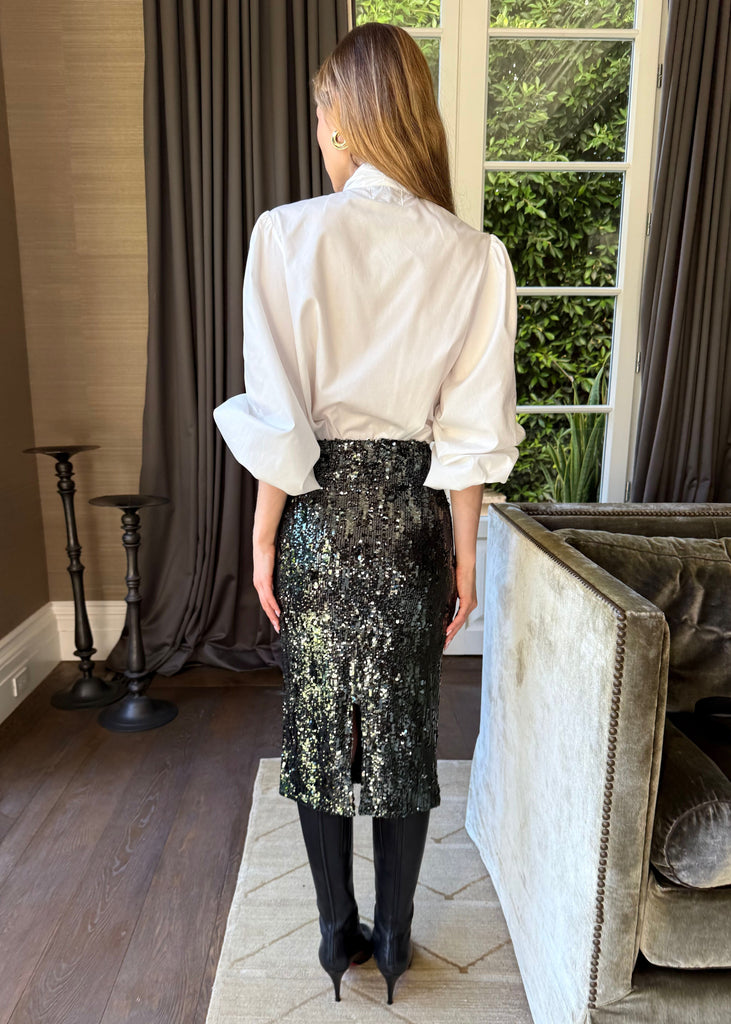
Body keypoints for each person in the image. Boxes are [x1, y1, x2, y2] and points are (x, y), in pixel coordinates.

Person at [212, 21, 525, 1005]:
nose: (317, 132)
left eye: (320, 113)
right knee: (399, 729)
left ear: (346, 118)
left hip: (317, 514)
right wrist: (465, 557)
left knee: (317, 725)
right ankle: (394, 937)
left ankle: (331, 932)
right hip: (414, 517)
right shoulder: (473, 255)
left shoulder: (285, 234)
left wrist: (262, 538)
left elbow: (280, 420)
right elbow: (469, 434)